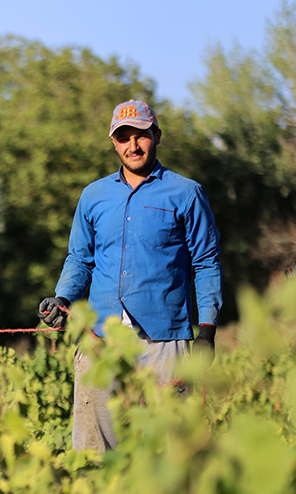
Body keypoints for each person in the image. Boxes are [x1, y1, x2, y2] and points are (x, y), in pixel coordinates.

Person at [38, 100, 223, 452]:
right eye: (123, 137)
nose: (133, 145)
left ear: (157, 136)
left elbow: (206, 263)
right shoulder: (93, 196)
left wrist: (208, 332)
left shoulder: (185, 193)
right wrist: (62, 299)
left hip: (165, 339)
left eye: (141, 135)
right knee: (94, 449)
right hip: (100, 337)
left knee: (173, 452)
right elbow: (80, 259)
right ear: (114, 142)